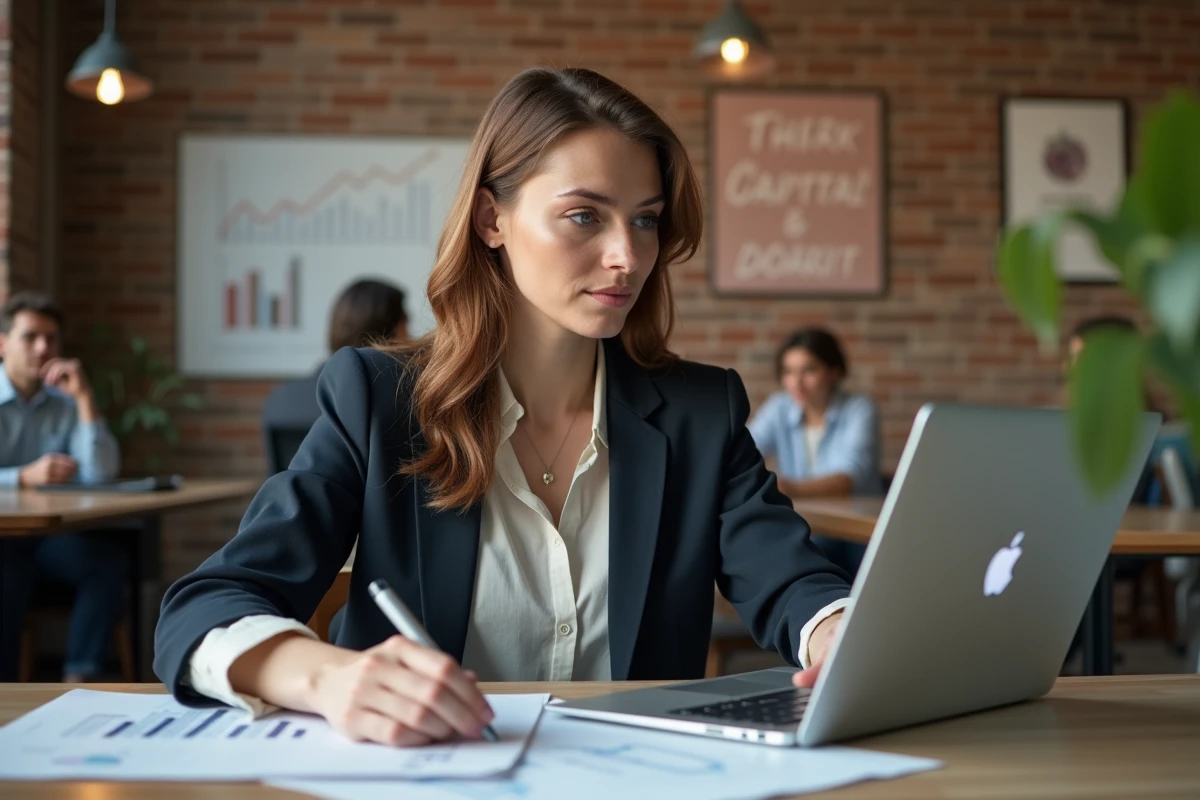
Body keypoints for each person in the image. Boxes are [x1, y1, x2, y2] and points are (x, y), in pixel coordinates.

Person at [154, 67, 852, 748]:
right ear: (493, 218)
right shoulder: (378, 399)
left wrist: (837, 632)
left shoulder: (700, 411)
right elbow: (205, 607)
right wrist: (327, 678)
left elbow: (790, 577)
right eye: (585, 215)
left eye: (645, 221)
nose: (627, 256)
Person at [0, 291, 126, 682]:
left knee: (106, 565)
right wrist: (22, 476)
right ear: (2, 343)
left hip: (48, 538)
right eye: (30, 337)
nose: (43, 347)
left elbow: (102, 473)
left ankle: (80, 678)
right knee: (6, 579)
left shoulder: (66, 403)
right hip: (3, 539)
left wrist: (85, 396)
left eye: (51, 338)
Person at [748, 328, 881, 576]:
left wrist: (789, 487)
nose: (796, 383)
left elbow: (848, 478)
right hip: (807, 525)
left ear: (834, 372)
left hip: (856, 532)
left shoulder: (860, 409)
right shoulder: (779, 407)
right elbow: (743, 450)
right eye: (788, 372)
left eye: (809, 370)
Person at [261, 278, 409, 473]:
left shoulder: (280, 400)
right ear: (393, 331)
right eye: (406, 326)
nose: (411, 338)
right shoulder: (395, 403)